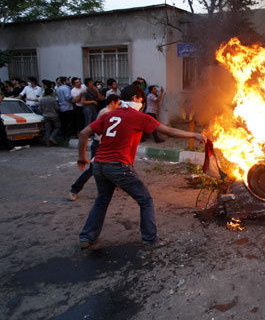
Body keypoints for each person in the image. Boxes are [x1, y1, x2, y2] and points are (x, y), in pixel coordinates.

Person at [76, 84, 206, 249]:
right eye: (141, 100)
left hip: (99, 165)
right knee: (145, 200)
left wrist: (81, 157)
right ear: (135, 98)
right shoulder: (138, 117)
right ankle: (150, 239)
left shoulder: (109, 115)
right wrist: (194, 134)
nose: (142, 103)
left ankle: (87, 237)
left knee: (102, 200)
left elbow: (83, 133)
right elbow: (168, 131)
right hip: (118, 166)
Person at [69, 94, 120, 201]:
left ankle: (114, 183)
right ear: (112, 103)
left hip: (104, 144)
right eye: (118, 103)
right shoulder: (106, 112)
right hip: (99, 144)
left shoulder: (108, 112)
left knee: (112, 164)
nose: (119, 106)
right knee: (92, 170)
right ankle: (74, 189)